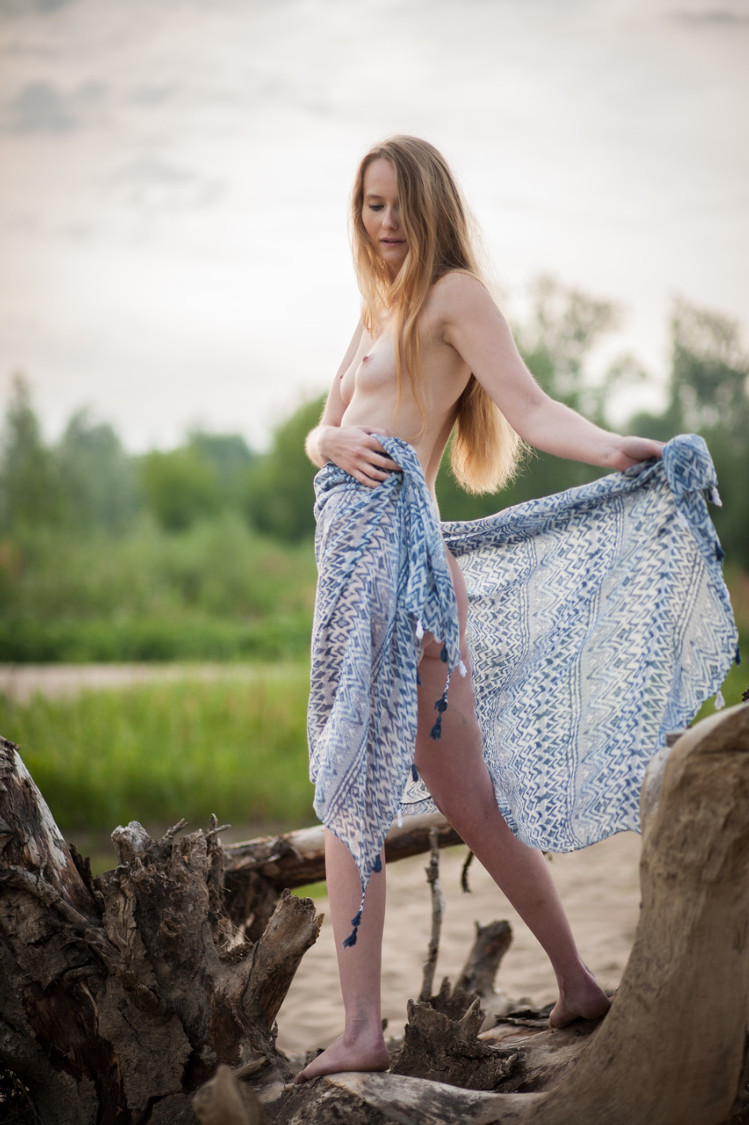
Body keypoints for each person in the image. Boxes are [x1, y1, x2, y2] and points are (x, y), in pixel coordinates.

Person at [295, 135, 664, 1084]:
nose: (382, 222)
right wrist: (326, 444)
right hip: (362, 575)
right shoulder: (378, 306)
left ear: (429, 204)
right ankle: (578, 982)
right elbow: (324, 426)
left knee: (349, 794)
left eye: (395, 203)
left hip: (393, 570)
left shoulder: (453, 296)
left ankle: (361, 1028)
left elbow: (531, 409)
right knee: (470, 802)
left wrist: (612, 449)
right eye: (369, 204)